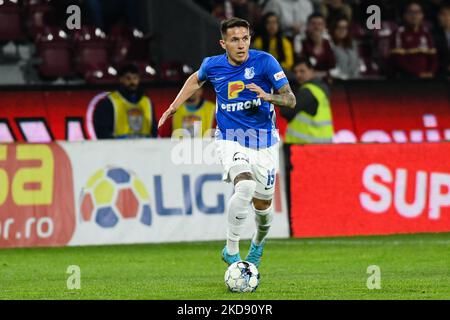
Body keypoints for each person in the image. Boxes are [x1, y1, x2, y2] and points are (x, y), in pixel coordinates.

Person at [158, 18, 296, 268]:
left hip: (264, 142)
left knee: (263, 210)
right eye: (235, 40)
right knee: (244, 186)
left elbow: (291, 99)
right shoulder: (212, 65)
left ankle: (258, 243)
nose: (241, 45)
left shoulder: (265, 61)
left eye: (245, 39)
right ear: (224, 43)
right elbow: (195, 80)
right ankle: (231, 251)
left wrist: (269, 97)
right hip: (230, 138)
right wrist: (174, 106)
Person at [93, 64, 157, 139]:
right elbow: (102, 132)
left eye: (135, 78)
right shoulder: (109, 102)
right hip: (118, 149)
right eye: (128, 78)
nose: (132, 82)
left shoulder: (147, 102)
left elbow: (154, 130)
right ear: (121, 79)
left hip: (145, 148)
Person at [282, 58, 334, 144]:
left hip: (305, 146)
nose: (298, 75)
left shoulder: (307, 92)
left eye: (302, 71)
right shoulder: (321, 89)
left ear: (312, 71)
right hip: (322, 144)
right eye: (296, 72)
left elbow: (285, 111)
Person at [389, 1, 438, 79]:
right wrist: (418, 74)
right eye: (410, 12)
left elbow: (433, 58)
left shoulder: (426, 33)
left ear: (422, 15)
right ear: (404, 15)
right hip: (406, 80)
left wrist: (430, 72)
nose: (414, 15)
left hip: (426, 79)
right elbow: (399, 61)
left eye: (417, 12)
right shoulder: (399, 33)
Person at [294, 13, 337, 79]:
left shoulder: (328, 42)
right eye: (313, 24)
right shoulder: (300, 41)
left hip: (327, 79)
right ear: (307, 26)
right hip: (307, 79)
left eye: (320, 24)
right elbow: (300, 65)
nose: (316, 27)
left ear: (324, 26)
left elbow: (334, 66)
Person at [433, 4, 450, 78]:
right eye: (440, 15)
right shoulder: (433, 35)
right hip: (441, 75)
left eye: (445, 14)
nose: (441, 18)